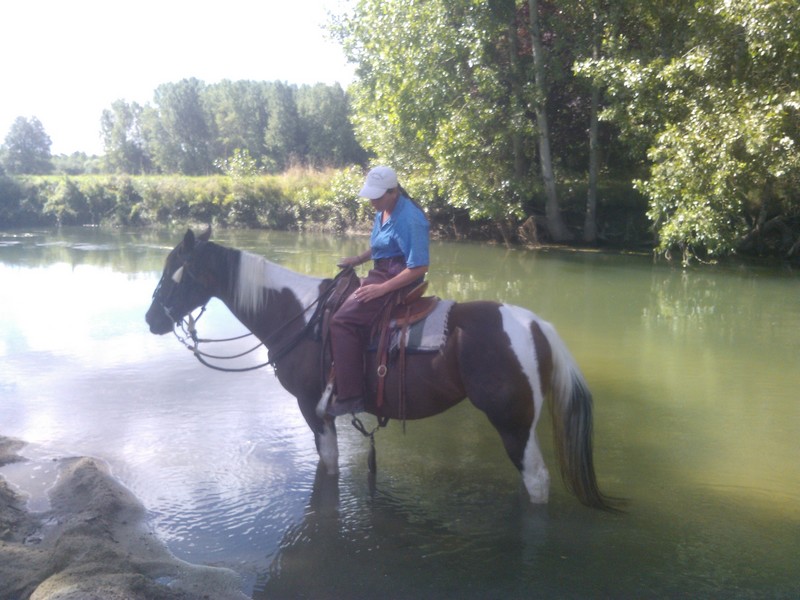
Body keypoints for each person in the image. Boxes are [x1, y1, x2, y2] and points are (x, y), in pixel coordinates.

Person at [327, 166, 430, 416]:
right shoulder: (383, 210)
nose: (372, 201)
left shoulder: (411, 219)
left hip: (399, 278)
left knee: (341, 322)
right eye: (370, 196)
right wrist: (358, 260)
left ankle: (351, 397)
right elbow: (381, 246)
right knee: (332, 299)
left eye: (377, 196)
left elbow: (419, 266)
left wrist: (381, 289)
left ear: (393, 192)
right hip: (381, 272)